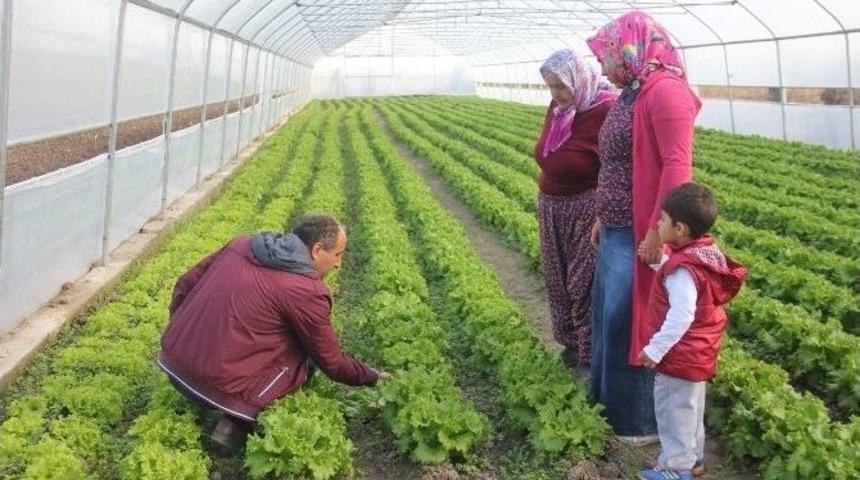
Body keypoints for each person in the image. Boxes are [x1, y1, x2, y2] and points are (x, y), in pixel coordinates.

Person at [158, 214, 389, 449]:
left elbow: (184, 285)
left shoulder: (241, 244)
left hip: (172, 366)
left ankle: (214, 394)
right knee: (306, 355)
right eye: (338, 254)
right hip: (224, 393)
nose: (339, 264)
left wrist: (183, 337)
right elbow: (331, 362)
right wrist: (373, 376)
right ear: (317, 250)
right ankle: (234, 422)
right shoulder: (306, 291)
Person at [587, 10, 702, 443]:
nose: (602, 65)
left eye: (606, 55)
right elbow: (617, 161)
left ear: (630, 48)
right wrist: (602, 214)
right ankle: (606, 404)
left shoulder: (666, 90)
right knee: (607, 317)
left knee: (634, 319)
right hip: (617, 225)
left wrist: (658, 230)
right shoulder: (633, 90)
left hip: (641, 232)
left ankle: (637, 421)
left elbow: (677, 165)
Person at [635, 183, 747, 480]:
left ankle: (676, 468)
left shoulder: (683, 271)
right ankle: (694, 460)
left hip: (680, 355)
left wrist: (656, 348)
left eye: (662, 219)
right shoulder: (706, 253)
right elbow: (692, 285)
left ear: (680, 229)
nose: (657, 224)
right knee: (691, 411)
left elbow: (682, 314)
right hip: (699, 353)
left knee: (675, 414)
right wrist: (662, 264)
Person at [534, 49, 617, 374]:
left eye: (560, 86)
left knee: (583, 282)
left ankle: (588, 353)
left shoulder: (605, 108)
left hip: (586, 207)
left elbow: (615, 163)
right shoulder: (558, 110)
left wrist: (604, 210)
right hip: (551, 206)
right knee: (557, 278)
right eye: (550, 87)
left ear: (578, 80)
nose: (555, 95)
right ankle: (570, 343)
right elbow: (547, 151)